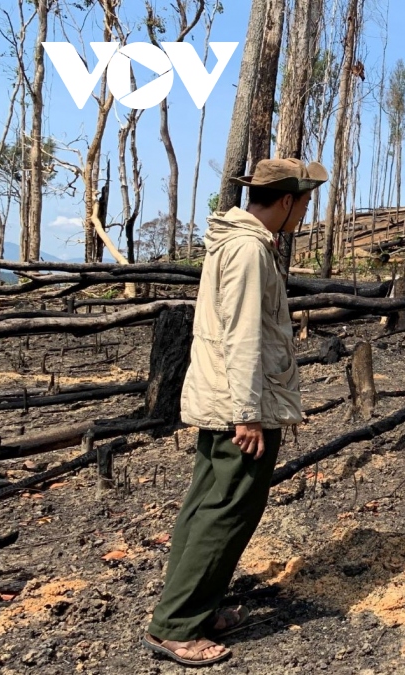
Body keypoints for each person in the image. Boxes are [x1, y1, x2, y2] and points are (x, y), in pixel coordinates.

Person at [143, 158, 327, 666]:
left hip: (225, 398)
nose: (306, 212)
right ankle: (176, 627)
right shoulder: (249, 251)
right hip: (240, 405)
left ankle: (194, 609)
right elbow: (244, 336)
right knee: (226, 513)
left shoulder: (236, 241)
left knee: (207, 506)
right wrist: (248, 414)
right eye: (305, 202)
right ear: (287, 202)